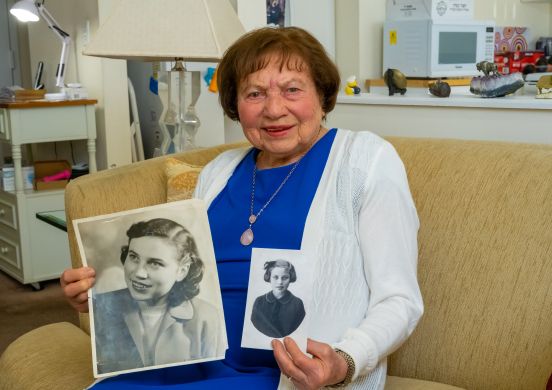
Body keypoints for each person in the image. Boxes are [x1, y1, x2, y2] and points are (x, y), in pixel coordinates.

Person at [61, 26, 423, 390]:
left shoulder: (365, 161)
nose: (274, 109)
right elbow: (182, 282)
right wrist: (98, 298)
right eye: (255, 93)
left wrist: (345, 361)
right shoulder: (219, 172)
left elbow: (400, 300)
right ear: (236, 106)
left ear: (322, 95)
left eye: (292, 89)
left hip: (286, 376)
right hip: (185, 358)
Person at [91, 218, 225, 375]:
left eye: (155, 263)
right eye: (133, 257)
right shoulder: (101, 306)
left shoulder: (206, 317)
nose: (139, 273)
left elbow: (212, 375)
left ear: (182, 271)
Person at [251, 260, 306, 338]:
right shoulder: (259, 302)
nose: (280, 282)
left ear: (290, 278)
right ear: (269, 278)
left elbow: (298, 330)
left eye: (285, 278)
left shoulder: (297, 304)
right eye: (275, 277)